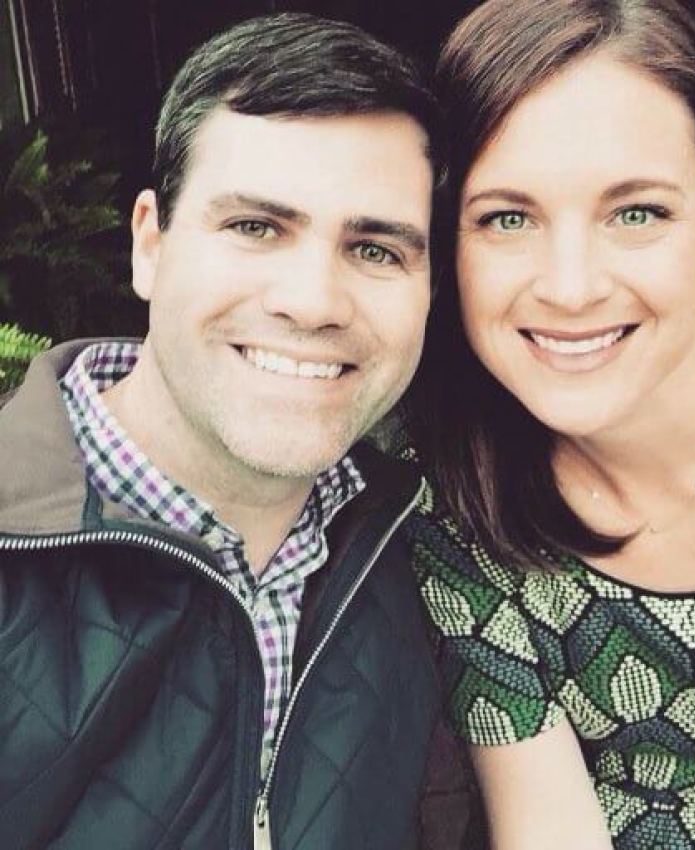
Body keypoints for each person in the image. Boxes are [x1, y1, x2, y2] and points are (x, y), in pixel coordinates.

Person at [406, 0, 695, 848]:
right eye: (507, 218)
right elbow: (547, 829)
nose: (571, 288)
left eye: (635, 212)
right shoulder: (461, 502)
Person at [0, 12, 445, 849]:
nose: (312, 301)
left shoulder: (423, 551)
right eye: (255, 227)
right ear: (149, 246)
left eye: (377, 249)